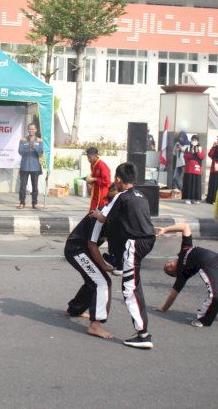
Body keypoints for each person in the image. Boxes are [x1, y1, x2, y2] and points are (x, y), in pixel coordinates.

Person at [89, 162, 156, 349]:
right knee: (135, 283)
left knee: (129, 289)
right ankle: (119, 264)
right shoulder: (141, 195)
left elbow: (104, 218)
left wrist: (95, 213)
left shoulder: (121, 196)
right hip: (148, 241)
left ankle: (143, 335)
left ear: (118, 179)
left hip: (135, 244)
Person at [155, 222, 218, 327]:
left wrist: (165, 229)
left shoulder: (185, 249)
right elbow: (172, 295)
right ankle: (203, 319)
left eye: (167, 264)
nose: (168, 265)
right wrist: (164, 308)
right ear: (175, 274)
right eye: (168, 269)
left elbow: (185, 226)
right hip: (211, 267)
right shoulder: (182, 275)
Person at [64, 207, 115, 339]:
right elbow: (92, 244)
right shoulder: (100, 217)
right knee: (103, 282)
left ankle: (75, 309)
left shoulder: (115, 216)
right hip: (77, 250)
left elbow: (112, 243)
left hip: (84, 250)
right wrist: (103, 265)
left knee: (92, 280)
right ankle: (95, 326)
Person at [17, 123, 43, 210]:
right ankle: (22, 202)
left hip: (35, 167)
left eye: (33, 129)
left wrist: (34, 147)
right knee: (22, 186)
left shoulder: (39, 141)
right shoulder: (23, 140)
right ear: (28, 130)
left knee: (35, 186)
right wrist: (28, 146)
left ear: (35, 130)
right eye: (29, 129)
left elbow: (41, 153)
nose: (31, 131)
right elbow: (20, 152)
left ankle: (34, 203)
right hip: (24, 166)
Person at [85, 147, 111, 212]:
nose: (88, 159)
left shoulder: (102, 165)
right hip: (95, 190)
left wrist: (94, 179)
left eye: (90, 157)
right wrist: (90, 177)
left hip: (102, 191)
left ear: (95, 156)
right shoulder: (92, 164)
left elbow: (107, 181)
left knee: (100, 209)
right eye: (87, 157)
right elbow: (94, 175)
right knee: (93, 208)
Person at [182, 134, 205, 204]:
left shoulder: (200, 148)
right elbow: (185, 156)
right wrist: (191, 153)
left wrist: (197, 152)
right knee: (189, 184)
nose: (194, 141)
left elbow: (202, 157)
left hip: (197, 169)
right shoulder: (188, 148)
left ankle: (195, 198)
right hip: (189, 169)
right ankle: (188, 198)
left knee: (196, 184)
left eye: (195, 140)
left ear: (198, 141)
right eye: (193, 140)